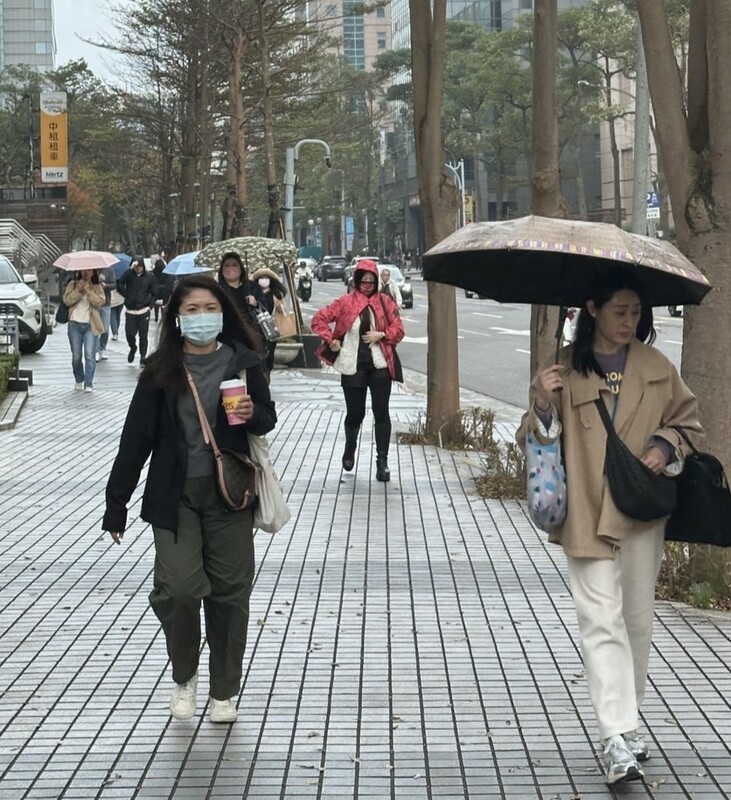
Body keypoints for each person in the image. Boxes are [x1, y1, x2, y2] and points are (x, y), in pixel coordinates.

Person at [516, 269, 703, 786]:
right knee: (601, 620)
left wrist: (663, 447)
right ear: (592, 310)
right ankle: (615, 734)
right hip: (586, 514)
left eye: (636, 313)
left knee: (637, 621)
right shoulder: (566, 372)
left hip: (641, 510)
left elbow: (688, 422)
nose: (629, 322)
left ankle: (629, 719)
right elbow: (532, 438)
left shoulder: (657, 367)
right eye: (619, 312)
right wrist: (540, 401)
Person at [102, 274, 275, 724]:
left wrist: (251, 413)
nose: (202, 317)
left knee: (231, 595)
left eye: (210, 308)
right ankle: (185, 675)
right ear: (176, 317)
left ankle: (223, 692)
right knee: (179, 589)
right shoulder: (162, 368)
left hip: (230, 495)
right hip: (174, 496)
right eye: (192, 310)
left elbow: (266, 419)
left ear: (223, 313)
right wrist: (116, 502)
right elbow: (136, 438)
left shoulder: (243, 361)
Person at [311, 260, 404, 482]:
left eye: (371, 281)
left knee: (382, 412)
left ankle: (382, 461)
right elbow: (319, 320)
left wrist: (381, 335)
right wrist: (330, 339)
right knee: (356, 413)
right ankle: (350, 446)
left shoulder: (385, 303)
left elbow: (398, 329)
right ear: (357, 280)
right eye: (363, 281)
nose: (367, 285)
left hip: (380, 365)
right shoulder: (345, 302)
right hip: (353, 367)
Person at [63, 269, 105, 392]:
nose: (86, 272)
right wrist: (78, 291)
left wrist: (89, 291)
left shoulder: (97, 287)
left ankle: (89, 383)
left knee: (89, 355)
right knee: (76, 356)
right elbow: (67, 301)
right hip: (74, 324)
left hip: (90, 325)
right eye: (84, 270)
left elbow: (99, 303)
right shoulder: (73, 284)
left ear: (93, 272)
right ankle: (79, 378)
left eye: (89, 270)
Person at [118, 256, 157, 365]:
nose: (138, 268)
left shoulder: (150, 277)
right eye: (136, 266)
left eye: (140, 266)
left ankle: (143, 357)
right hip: (131, 310)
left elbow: (155, 292)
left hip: (144, 310)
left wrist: (150, 305)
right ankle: (132, 347)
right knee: (130, 334)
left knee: (143, 336)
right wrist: (126, 295)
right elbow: (119, 284)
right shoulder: (129, 275)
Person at [251, 267, 287, 380]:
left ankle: (267, 375)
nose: (264, 280)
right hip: (257, 329)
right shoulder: (252, 294)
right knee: (259, 356)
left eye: (266, 277)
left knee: (269, 357)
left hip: (271, 329)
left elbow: (283, 311)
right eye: (261, 277)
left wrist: (279, 306)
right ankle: (262, 378)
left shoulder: (276, 294)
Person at [95, 265, 116, 362]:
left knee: (105, 329)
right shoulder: (93, 269)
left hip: (106, 303)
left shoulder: (109, 270)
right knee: (94, 328)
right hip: (94, 302)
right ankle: (95, 350)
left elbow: (114, 284)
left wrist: (106, 286)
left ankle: (102, 348)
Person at [152, 250, 173, 323]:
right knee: (164, 304)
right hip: (165, 289)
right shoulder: (166, 272)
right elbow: (169, 281)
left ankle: (156, 317)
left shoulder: (154, 272)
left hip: (157, 289)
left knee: (156, 304)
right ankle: (163, 317)